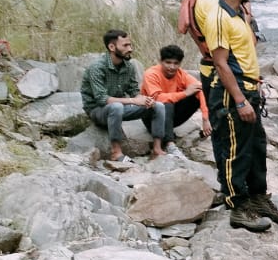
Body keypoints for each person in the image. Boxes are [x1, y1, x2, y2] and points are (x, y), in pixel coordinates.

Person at [203, 0, 278, 233]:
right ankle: (238, 205)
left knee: (256, 145)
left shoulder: (237, 13)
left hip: (248, 87)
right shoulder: (219, 16)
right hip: (232, 92)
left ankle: (258, 195)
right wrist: (239, 99)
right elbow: (221, 62)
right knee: (235, 149)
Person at [80, 29, 153, 166]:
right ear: (112, 47)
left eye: (130, 45)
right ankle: (116, 153)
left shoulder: (128, 66)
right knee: (116, 107)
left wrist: (144, 100)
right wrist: (133, 101)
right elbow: (102, 99)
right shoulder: (97, 67)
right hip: (98, 111)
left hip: (119, 108)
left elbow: (133, 91)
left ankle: (159, 149)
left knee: (157, 106)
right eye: (125, 46)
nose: (130, 49)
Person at [139, 43, 210, 158]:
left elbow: (199, 89)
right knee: (166, 103)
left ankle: (169, 134)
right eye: (168, 62)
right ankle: (169, 144)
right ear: (161, 61)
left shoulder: (181, 74)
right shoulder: (151, 74)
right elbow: (158, 98)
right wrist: (185, 93)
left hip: (171, 117)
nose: (172, 67)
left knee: (195, 96)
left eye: (176, 63)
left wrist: (205, 119)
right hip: (151, 117)